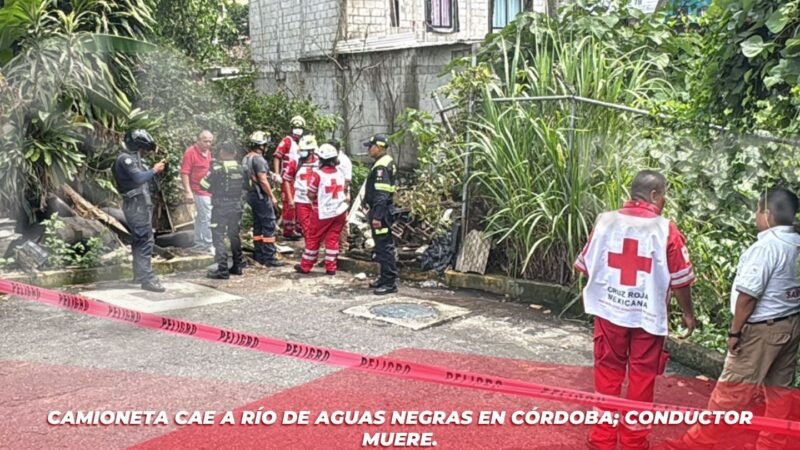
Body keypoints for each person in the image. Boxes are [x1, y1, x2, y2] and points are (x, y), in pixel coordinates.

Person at [665, 188, 800, 450]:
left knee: (731, 391)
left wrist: (735, 332)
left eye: (758, 211)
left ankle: (697, 443)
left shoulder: (767, 247)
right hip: (790, 323)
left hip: (762, 329)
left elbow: (748, 296)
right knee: (780, 391)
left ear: (767, 214)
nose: (755, 217)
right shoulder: (797, 243)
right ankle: (773, 443)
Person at [574, 170, 697, 450]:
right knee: (642, 378)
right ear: (654, 195)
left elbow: (583, 265)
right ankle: (634, 442)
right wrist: (688, 313)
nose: (665, 200)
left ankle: (603, 439)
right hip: (648, 317)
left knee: (607, 373)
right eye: (664, 194)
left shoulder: (605, 222)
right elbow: (681, 279)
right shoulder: (667, 229)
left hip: (609, 313)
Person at [112, 129, 167, 293]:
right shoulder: (125, 159)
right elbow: (138, 178)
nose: (146, 152)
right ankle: (147, 279)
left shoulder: (133, 159)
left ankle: (139, 275)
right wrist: (154, 170)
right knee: (145, 241)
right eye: (144, 149)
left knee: (139, 240)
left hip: (140, 204)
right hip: (136, 205)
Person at [295, 144, 348, 275]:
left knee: (313, 237)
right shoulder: (340, 173)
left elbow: (311, 194)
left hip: (323, 212)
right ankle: (331, 267)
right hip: (340, 211)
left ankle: (305, 266)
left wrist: (311, 197)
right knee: (333, 238)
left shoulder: (318, 175)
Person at [200, 143, 246, 279]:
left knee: (218, 236)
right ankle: (238, 265)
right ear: (235, 153)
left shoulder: (217, 168)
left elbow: (204, 185)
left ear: (222, 152)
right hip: (236, 205)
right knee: (234, 235)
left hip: (221, 207)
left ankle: (222, 268)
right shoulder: (241, 168)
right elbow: (247, 186)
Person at [363, 134, 398, 295]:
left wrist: (377, 216)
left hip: (381, 214)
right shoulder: (385, 161)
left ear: (378, 147)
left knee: (385, 248)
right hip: (383, 212)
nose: (369, 149)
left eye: (370, 146)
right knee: (381, 247)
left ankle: (390, 282)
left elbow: (381, 194)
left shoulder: (381, 166)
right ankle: (384, 278)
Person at [242, 131, 284, 267]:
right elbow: (262, 180)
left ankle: (259, 254)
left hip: (250, 194)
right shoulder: (259, 159)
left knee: (258, 224)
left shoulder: (246, 158)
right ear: (262, 146)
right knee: (268, 223)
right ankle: (269, 257)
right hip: (260, 194)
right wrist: (272, 197)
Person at [180, 130, 214, 253]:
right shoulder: (190, 152)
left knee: (201, 218)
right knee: (207, 217)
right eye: (205, 141)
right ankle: (207, 244)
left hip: (207, 189)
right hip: (198, 190)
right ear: (198, 140)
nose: (208, 144)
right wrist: (188, 191)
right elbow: (184, 173)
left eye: (210, 141)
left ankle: (200, 243)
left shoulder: (208, 152)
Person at [274, 116, 306, 240]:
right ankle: (288, 230)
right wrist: (277, 173)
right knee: (289, 202)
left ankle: (298, 227)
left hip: (299, 177)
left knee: (299, 202)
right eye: (296, 127)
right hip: (287, 176)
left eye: (300, 128)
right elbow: (277, 156)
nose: (298, 130)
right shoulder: (287, 141)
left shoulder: (303, 142)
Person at [286, 135, 320, 242]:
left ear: (311, 151)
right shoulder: (295, 162)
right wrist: (290, 198)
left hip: (317, 200)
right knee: (306, 227)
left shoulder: (320, 162)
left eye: (303, 150)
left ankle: (313, 247)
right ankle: (310, 248)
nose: (301, 152)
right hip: (301, 200)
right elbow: (286, 179)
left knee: (317, 227)